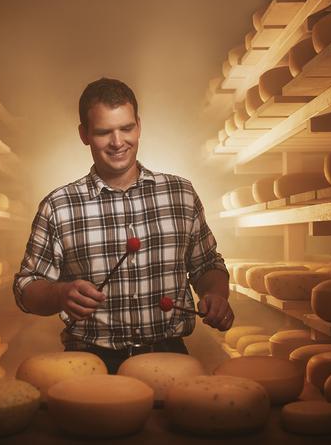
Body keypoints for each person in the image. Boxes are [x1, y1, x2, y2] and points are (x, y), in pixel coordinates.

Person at [13, 77, 233, 373]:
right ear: (84, 134)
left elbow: (207, 266)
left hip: (170, 357)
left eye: (126, 128)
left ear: (138, 125)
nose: (118, 142)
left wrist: (216, 295)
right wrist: (60, 294)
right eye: (104, 132)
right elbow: (26, 286)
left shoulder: (181, 193)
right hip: (89, 363)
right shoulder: (58, 205)